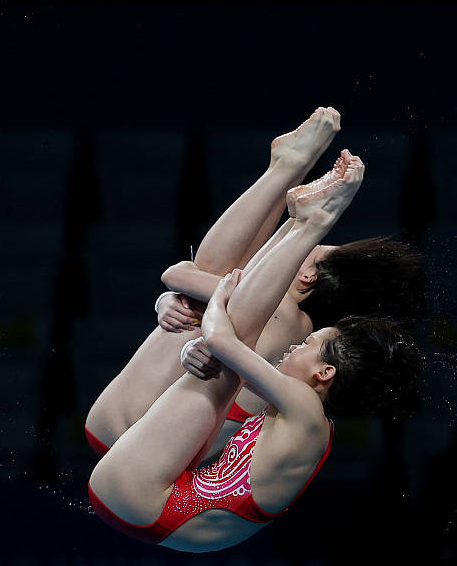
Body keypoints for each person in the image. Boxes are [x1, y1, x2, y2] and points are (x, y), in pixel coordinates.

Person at [87, 154, 422, 552]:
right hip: (153, 494)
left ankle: (305, 213)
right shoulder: (307, 413)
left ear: (325, 372)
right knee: (229, 345)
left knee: (232, 343)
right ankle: (301, 212)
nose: (297, 346)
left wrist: (218, 300)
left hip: (145, 497)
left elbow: (221, 335)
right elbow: (211, 327)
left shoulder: (301, 401)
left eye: (307, 346)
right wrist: (186, 318)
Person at [84, 108, 424, 461]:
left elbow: (176, 274)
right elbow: (208, 279)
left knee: (220, 273)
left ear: (308, 277)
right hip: (128, 438)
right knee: (229, 279)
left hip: (129, 443)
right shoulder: (297, 330)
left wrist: (173, 295)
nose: (300, 252)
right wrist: (171, 302)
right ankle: (290, 177)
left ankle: (285, 174)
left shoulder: (282, 316)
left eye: (312, 248)